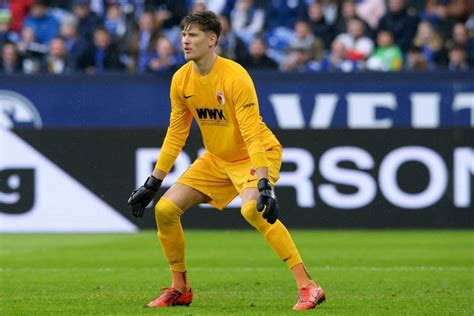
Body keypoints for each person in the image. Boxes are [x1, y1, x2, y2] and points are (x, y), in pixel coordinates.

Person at [127, 10, 325, 311]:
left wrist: (263, 182)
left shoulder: (235, 76)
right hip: (218, 158)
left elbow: (252, 131)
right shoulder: (181, 80)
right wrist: (154, 182)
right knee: (165, 210)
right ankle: (180, 288)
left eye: (192, 35)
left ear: (212, 40)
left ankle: (308, 286)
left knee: (252, 209)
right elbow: (176, 134)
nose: (185, 40)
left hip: (254, 153)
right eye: (183, 34)